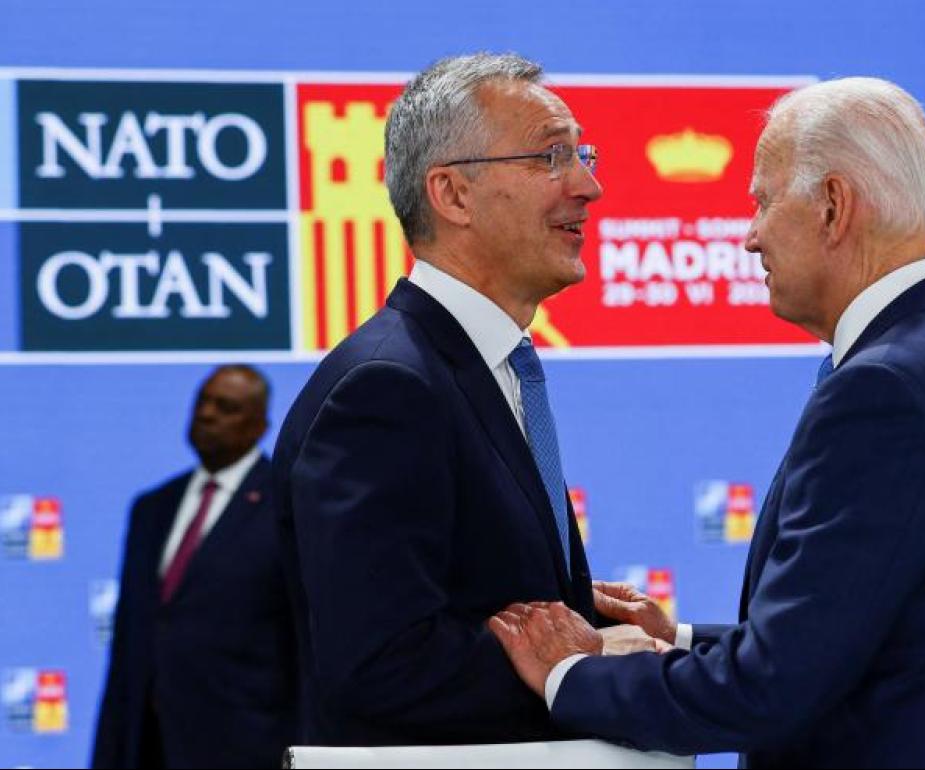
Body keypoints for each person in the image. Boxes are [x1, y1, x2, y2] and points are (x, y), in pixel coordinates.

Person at [488, 76, 925, 767]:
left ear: (833, 206)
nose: (750, 237)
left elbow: (768, 688)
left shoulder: (888, 391)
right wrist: (676, 640)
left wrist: (570, 675)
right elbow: (881, 646)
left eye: (763, 202)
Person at [271, 52, 614, 747]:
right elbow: (381, 668)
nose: (588, 185)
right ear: (453, 195)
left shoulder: (483, 368)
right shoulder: (387, 390)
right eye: (550, 157)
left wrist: (596, 631)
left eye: (582, 154)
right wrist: (585, 669)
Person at [91, 365, 296, 768]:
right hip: (147, 742)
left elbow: (300, 637)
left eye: (226, 407)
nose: (206, 414)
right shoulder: (152, 508)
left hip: (245, 744)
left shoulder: (286, 506)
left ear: (259, 426)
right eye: (203, 400)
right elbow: (131, 640)